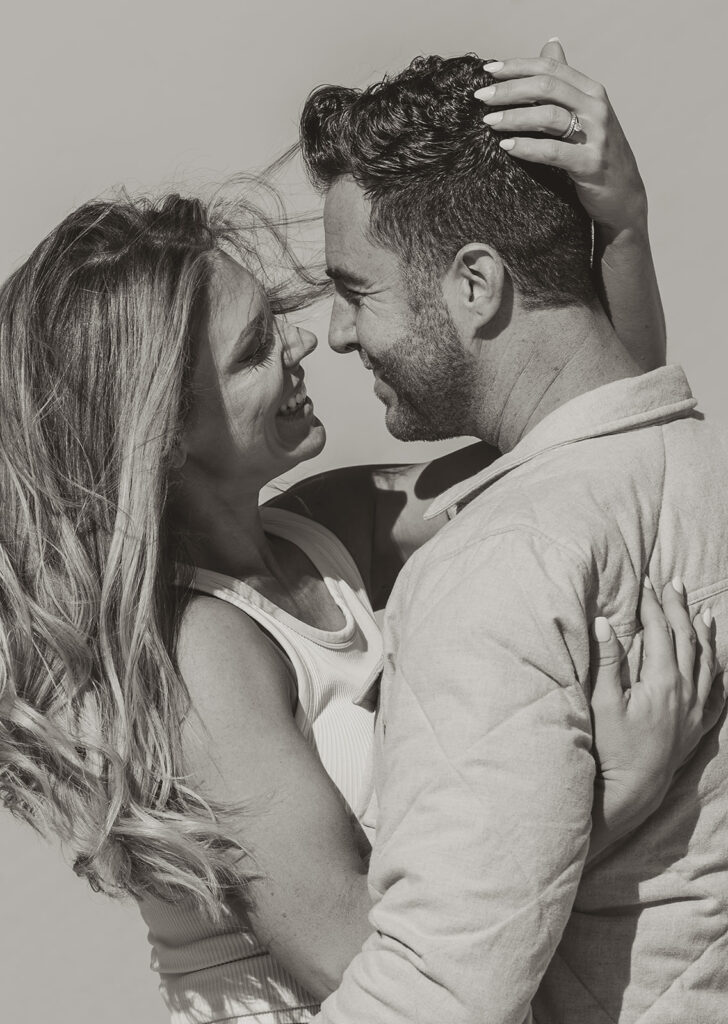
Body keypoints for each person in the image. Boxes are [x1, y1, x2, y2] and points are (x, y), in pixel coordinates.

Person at [0, 44, 719, 1024]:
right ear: (165, 430)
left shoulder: (328, 530)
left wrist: (619, 222)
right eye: (257, 348)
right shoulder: (201, 663)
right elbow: (383, 967)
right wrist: (605, 796)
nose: (312, 341)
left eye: (283, 315)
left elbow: (582, 439)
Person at [297, 45, 728, 1024]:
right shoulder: (699, 475)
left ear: (476, 283)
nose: (332, 333)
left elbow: (434, 995)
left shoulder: (499, 566)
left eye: (355, 288)